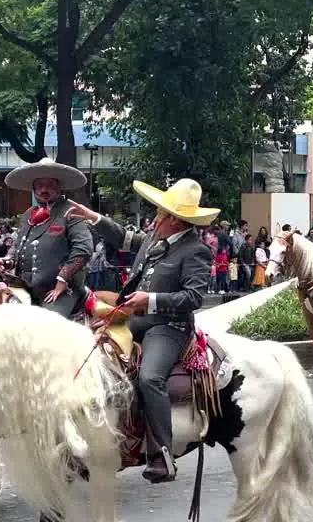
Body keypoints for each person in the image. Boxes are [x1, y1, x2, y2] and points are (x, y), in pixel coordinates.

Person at [64, 178, 216, 484]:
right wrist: (94, 218)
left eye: (160, 213)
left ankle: (162, 455)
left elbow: (194, 298)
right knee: (88, 355)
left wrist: (152, 299)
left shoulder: (195, 250)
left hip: (168, 326)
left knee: (149, 377)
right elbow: (124, 238)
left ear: (173, 219)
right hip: (133, 318)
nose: (154, 217)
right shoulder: (155, 239)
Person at [0, 158, 93, 319]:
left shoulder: (71, 211)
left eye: (49, 185)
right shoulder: (29, 213)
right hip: (25, 288)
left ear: (59, 187)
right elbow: (18, 245)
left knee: (47, 326)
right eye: (39, 185)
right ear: (33, 188)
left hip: (61, 291)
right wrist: (8, 260)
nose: (44, 189)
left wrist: (63, 279)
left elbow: (84, 249)